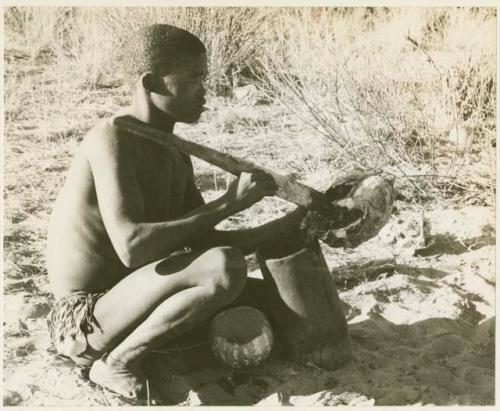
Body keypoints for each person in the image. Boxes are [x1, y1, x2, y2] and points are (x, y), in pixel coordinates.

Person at [46, 24, 305, 400]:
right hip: (86, 318)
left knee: (278, 300)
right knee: (224, 268)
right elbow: (133, 248)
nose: (206, 91)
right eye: (195, 78)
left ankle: (156, 351)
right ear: (151, 82)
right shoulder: (112, 138)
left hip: (142, 300)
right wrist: (230, 203)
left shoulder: (175, 151)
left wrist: (292, 223)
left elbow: (204, 241)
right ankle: (118, 362)